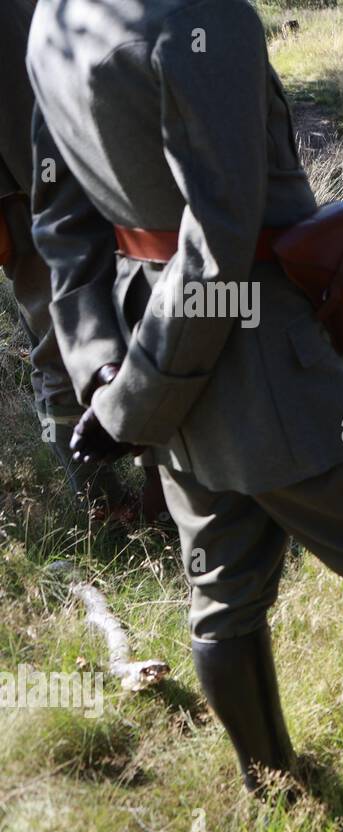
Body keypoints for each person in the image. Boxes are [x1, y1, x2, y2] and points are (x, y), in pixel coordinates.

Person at [27, 0, 343, 798]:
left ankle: (278, 795)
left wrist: (103, 375)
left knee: (223, 596)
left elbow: (62, 230)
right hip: (254, 352)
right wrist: (135, 401)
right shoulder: (199, 12)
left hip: (150, 345)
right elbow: (221, 231)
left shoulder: (55, 19)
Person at [0, 0, 147, 519]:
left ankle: (144, 489)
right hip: (33, 195)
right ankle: (105, 505)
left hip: (62, 180)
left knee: (105, 326)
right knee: (62, 342)